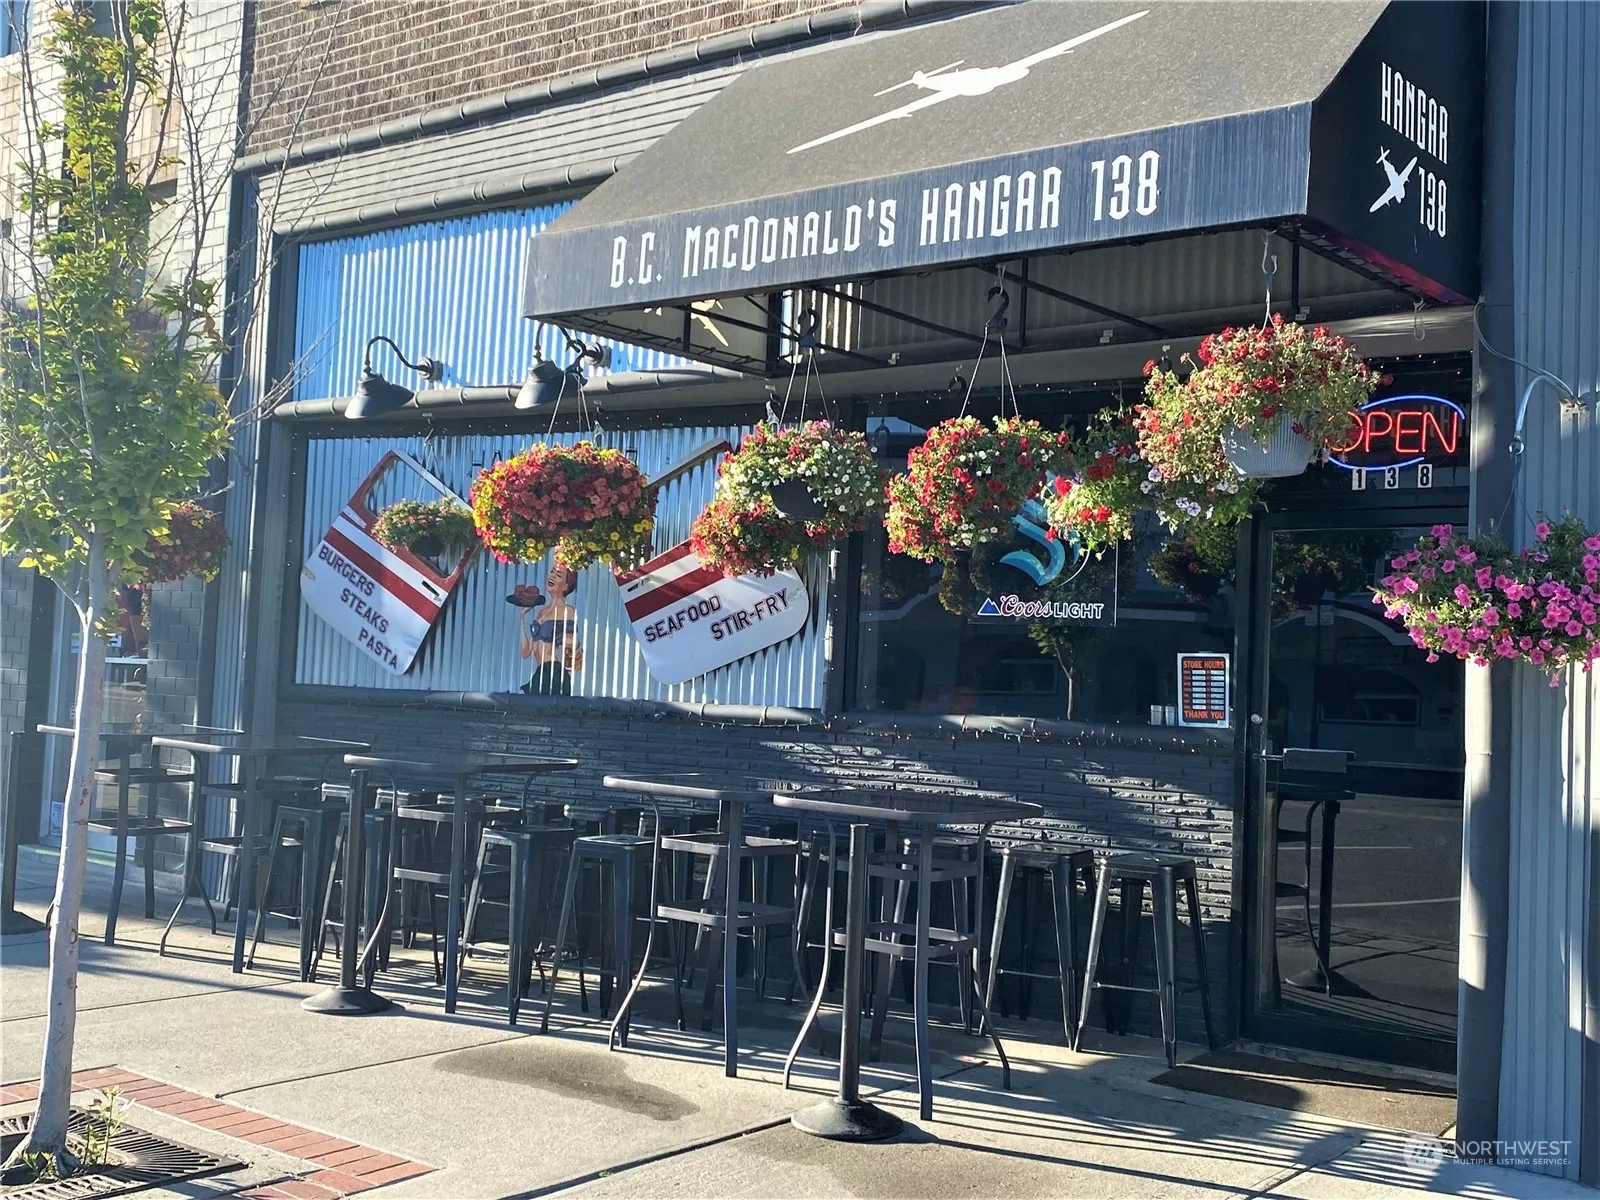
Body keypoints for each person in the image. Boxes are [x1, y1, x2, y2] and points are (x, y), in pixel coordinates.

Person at [516, 562, 584, 695]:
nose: (552, 576)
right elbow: (525, 652)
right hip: (540, 671)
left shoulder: (568, 611)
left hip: (554, 672)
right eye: (552, 572)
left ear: (566, 586)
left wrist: (572, 650)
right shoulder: (541, 613)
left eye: (558, 575)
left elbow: (569, 644)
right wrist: (522, 618)